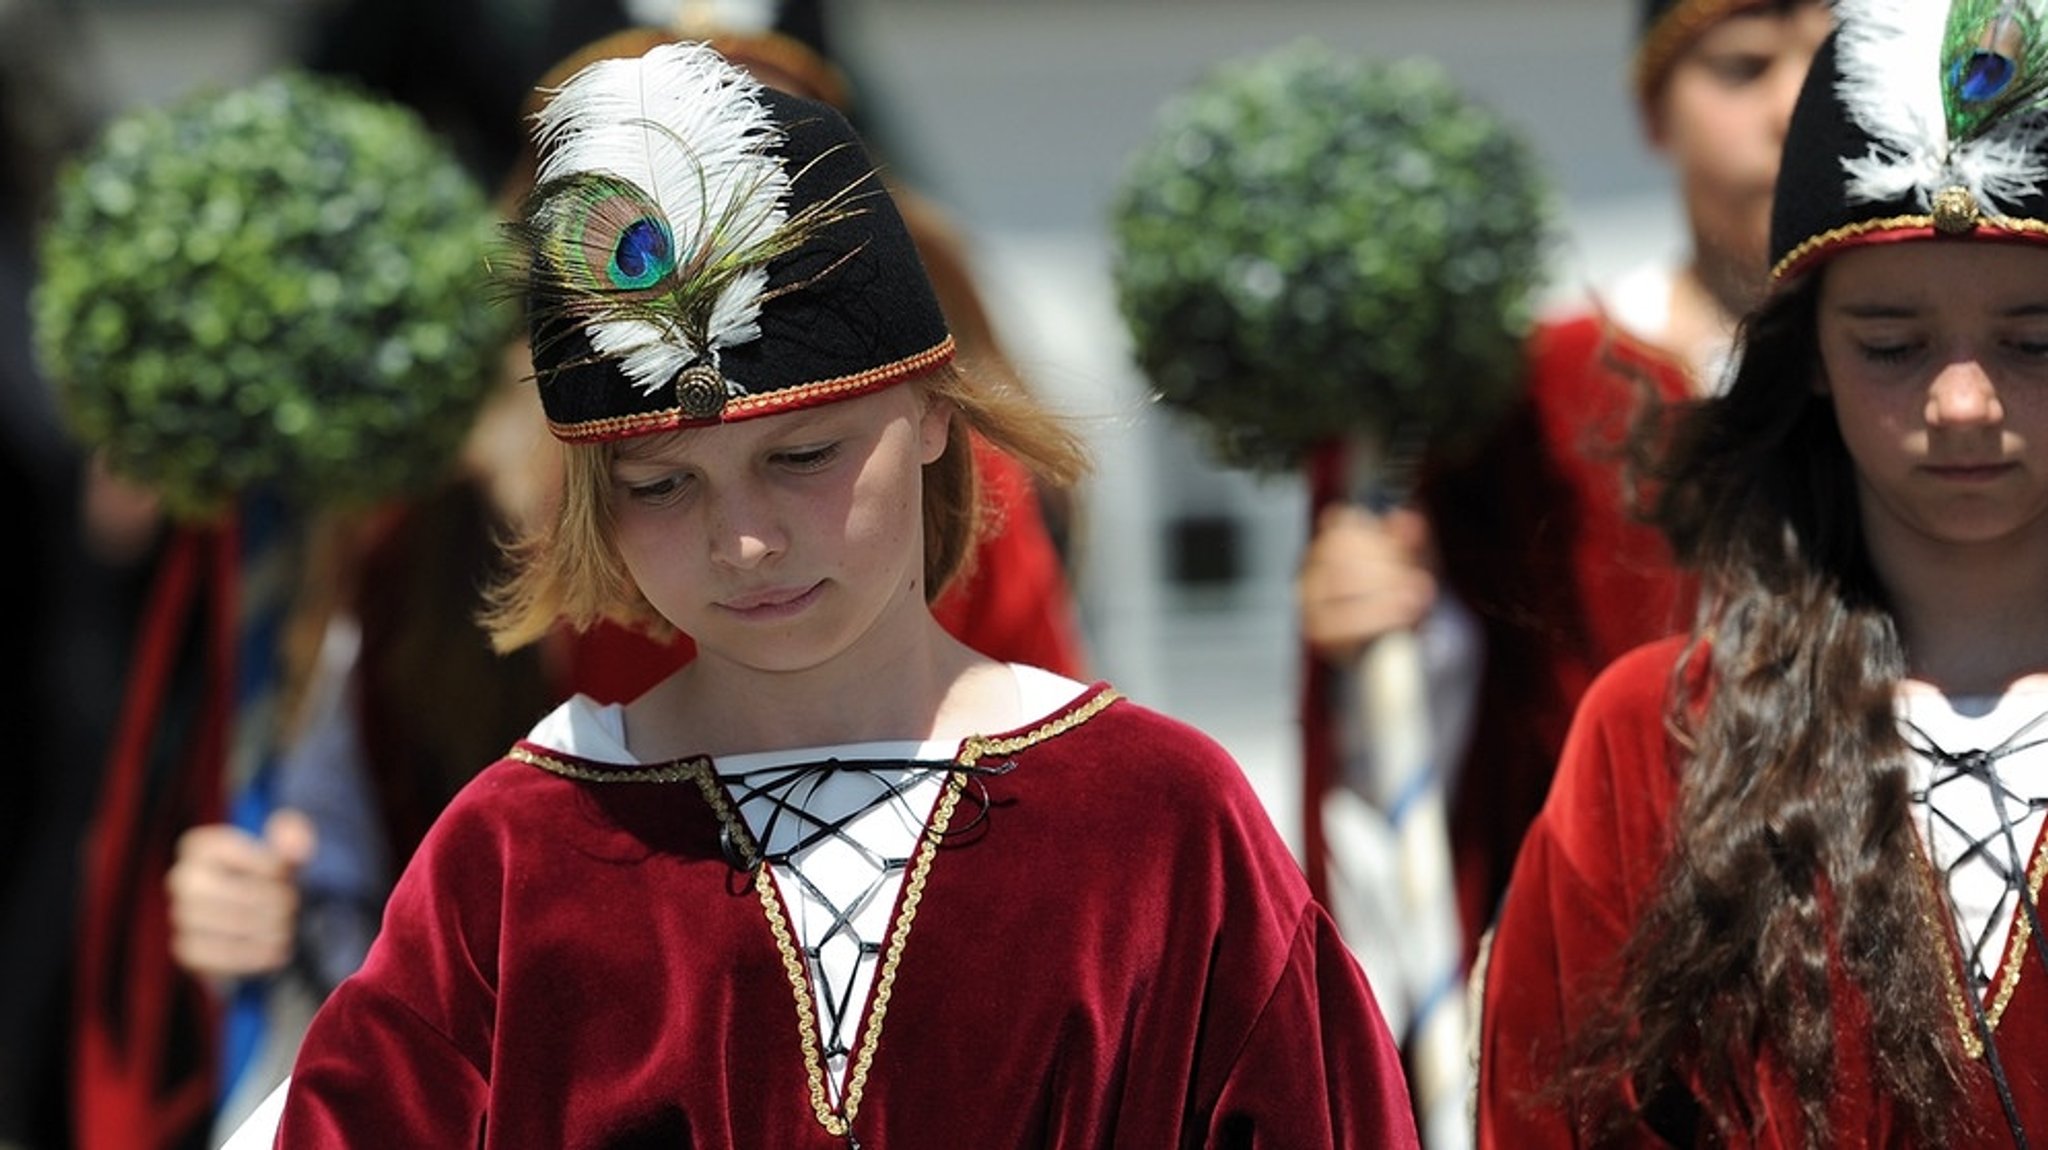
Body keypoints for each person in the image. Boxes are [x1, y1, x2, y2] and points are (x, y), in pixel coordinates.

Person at [231, 41, 1417, 1146]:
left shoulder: (1161, 822)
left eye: (803, 457)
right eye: (661, 483)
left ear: (937, 418)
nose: (743, 539)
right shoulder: (520, 854)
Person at [1477, 2, 2048, 1144]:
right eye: (1890, 344)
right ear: (1812, 360)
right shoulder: (1657, 737)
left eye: (2033, 341)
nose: (1962, 402)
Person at [1297, 0, 1833, 967]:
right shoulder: (1542, 394)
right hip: (1618, 957)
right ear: (1654, 113)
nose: (1794, 104)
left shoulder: (1972, 374)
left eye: (1834, 63)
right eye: (1743, 68)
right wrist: (1389, 626)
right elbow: (1457, 765)